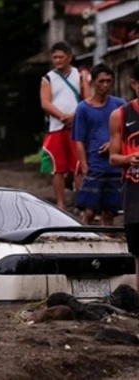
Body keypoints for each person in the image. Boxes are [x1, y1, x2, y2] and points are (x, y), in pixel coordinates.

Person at [72, 64, 125, 226]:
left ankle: (108, 246)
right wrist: (84, 167)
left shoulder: (119, 105)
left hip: (114, 165)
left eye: (109, 81)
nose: (105, 85)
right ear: (93, 82)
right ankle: (85, 243)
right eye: (101, 81)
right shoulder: (83, 109)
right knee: (89, 211)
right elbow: (78, 139)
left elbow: (128, 132)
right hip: (95, 165)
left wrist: (113, 144)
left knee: (110, 212)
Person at [40, 41, 90, 209]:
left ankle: (80, 203)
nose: (58, 60)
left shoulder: (81, 75)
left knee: (78, 166)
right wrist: (62, 116)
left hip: (77, 127)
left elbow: (87, 100)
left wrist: (75, 116)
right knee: (58, 168)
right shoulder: (48, 78)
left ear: (70, 57)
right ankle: (60, 204)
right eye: (54, 57)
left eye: (61, 57)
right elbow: (45, 103)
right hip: (56, 127)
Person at [109, 60, 139, 291]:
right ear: (133, 84)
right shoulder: (120, 115)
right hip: (134, 190)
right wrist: (130, 159)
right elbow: (113, 157)